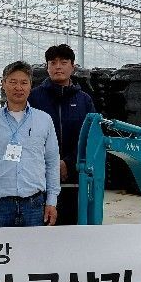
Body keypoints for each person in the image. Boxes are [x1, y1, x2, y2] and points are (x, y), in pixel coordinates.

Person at [0, 61, 60, 228]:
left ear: (30, 86)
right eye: (13, 82)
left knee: (34, 245)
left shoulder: (44, 120)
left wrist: (52, 201)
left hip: (34, 206)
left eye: (24, 82)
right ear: (3, 84)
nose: (18, 87)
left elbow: (52, 163)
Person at [29, 44, 95, 225]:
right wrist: (51, 163)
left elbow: (90, 138)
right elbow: (27, 136)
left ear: (73, 67)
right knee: (41, 229)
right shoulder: (34, 98)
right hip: (39, 179)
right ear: (47, 67)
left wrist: (68, 163)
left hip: (75, 178)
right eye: (53, 63)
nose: (58, 67)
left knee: (71, 228)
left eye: (64, 62)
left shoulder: (84, 100)